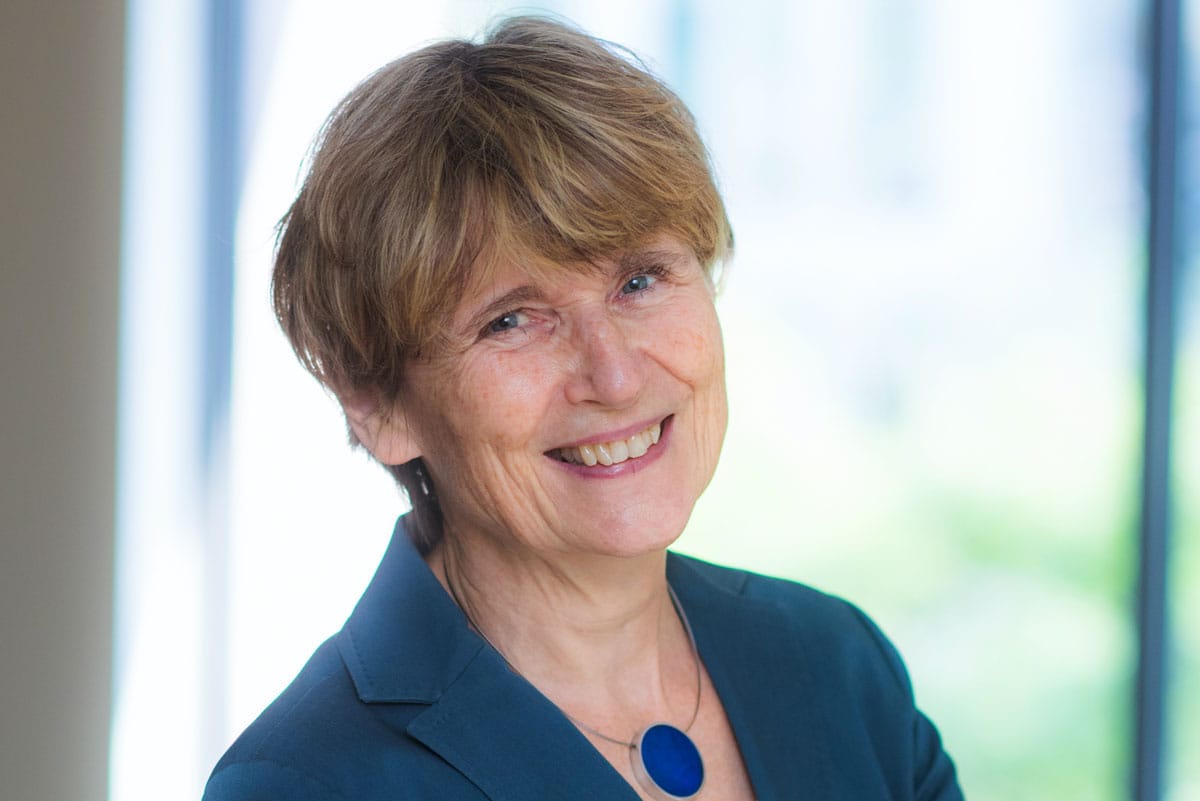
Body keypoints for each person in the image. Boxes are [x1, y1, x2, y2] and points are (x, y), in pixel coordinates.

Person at [203, 15, 964, 801]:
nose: (615, 375)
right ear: (377, 403)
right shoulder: (307, 783)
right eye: (512, 320)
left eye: (639, 279)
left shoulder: (838, 668)